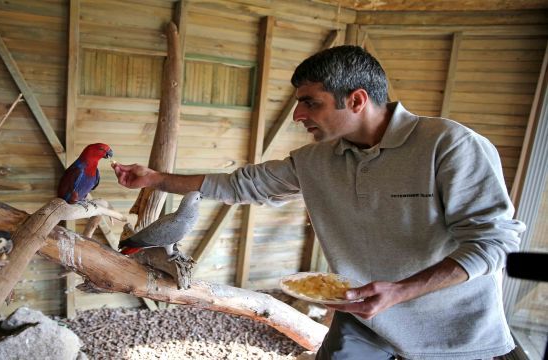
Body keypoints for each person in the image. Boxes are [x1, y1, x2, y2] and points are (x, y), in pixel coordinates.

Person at [112, 45, 525, 360]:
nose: (297, 115)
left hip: (454, 334)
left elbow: (495, 242)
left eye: (311, 102)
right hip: (363, 319)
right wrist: (157, 179)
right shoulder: (315, 160)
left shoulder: (450, 145)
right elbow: (244, 184)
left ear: (357, 100)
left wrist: (401, 290)